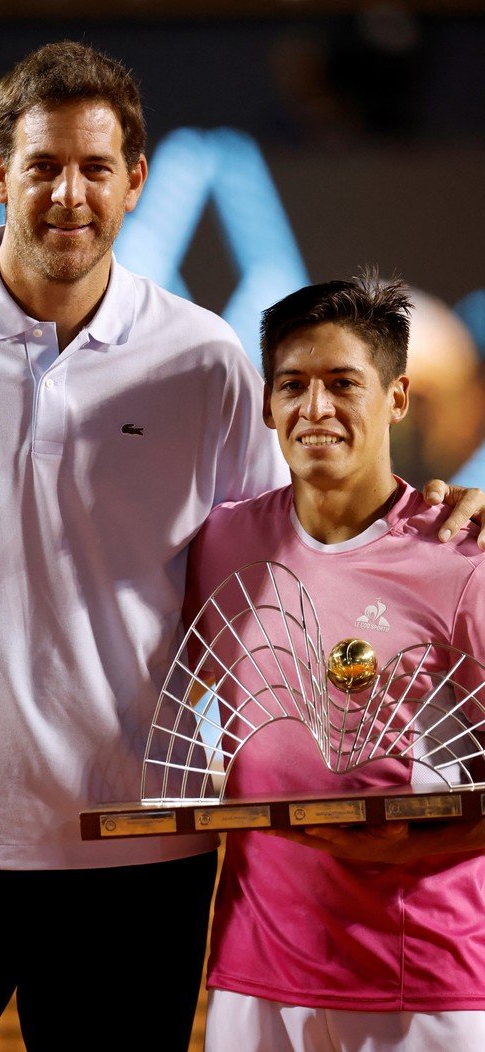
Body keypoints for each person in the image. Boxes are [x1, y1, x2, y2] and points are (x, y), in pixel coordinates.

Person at [0, 41, 480, 1052]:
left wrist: (430, 521)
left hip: (136, 869)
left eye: (96, 168)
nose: (71, 194)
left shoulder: (204, 360)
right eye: (44, 165)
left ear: (136, 180)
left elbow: (294, 567)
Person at [185, 272, 485, 1052]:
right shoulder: (219, 543)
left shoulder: (461, 554)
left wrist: (416, 844)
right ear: (267, 405)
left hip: (420, 981)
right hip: (253, 978)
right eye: (293, 385)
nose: (315, 408)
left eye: (343, 383)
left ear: (397, 397)